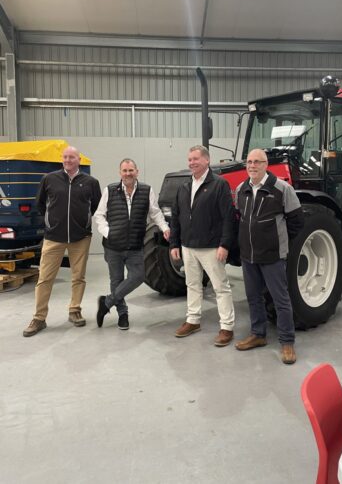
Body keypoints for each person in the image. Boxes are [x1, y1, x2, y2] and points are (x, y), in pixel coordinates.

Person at [23, 146, 102, 337]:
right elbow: (40, 204)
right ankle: (39, 318)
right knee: (44, 279)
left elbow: (98, 207)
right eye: (65, 157)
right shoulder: (49, 179)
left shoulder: (91, 182)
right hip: (53, 238)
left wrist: (85, 224)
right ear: (62, 159)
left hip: (80, 238)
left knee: (78, 276)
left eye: (72, 157)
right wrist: (51, 223)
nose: (68, 160)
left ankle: (75, 310)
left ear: (79, 160)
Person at [234, 149, 304, 364]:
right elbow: (241, 218)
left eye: (257, 162)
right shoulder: (241, 189)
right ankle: (258, 334)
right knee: (253, 297)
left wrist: (279, 243)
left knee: (280, 299)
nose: (252, 166)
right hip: (249, 255)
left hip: (273, 256)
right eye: (249, 162)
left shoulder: (282, 189)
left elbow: (296, 222)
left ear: (266, 164)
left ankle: (287, 342)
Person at [170, 145, 235, 346]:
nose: (192, 163)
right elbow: (176, 216)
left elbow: (228, 217)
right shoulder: (184, 186)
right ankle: (193, 320)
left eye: (196, 159)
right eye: (189, 159)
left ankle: (227, 327)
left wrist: (224, 244)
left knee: (220, 287)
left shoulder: (219, 184)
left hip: (211, 247)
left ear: (207, 160)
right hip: (188, 246)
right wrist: (174, 243)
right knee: (192, 285)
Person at [94, 158, 170, 330]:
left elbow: (155, 212)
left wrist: (164, 227)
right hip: (113, 246)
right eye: (124, 171)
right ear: (120, 172)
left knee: (138, 276)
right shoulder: (110, 190)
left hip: (135, 245)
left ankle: (106, 303)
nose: (128, 174)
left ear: (137, 171)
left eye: (131, 170)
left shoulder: (146, 190)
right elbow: (99, 215)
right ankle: (123, 314)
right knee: (117, 280)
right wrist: (108, 232)